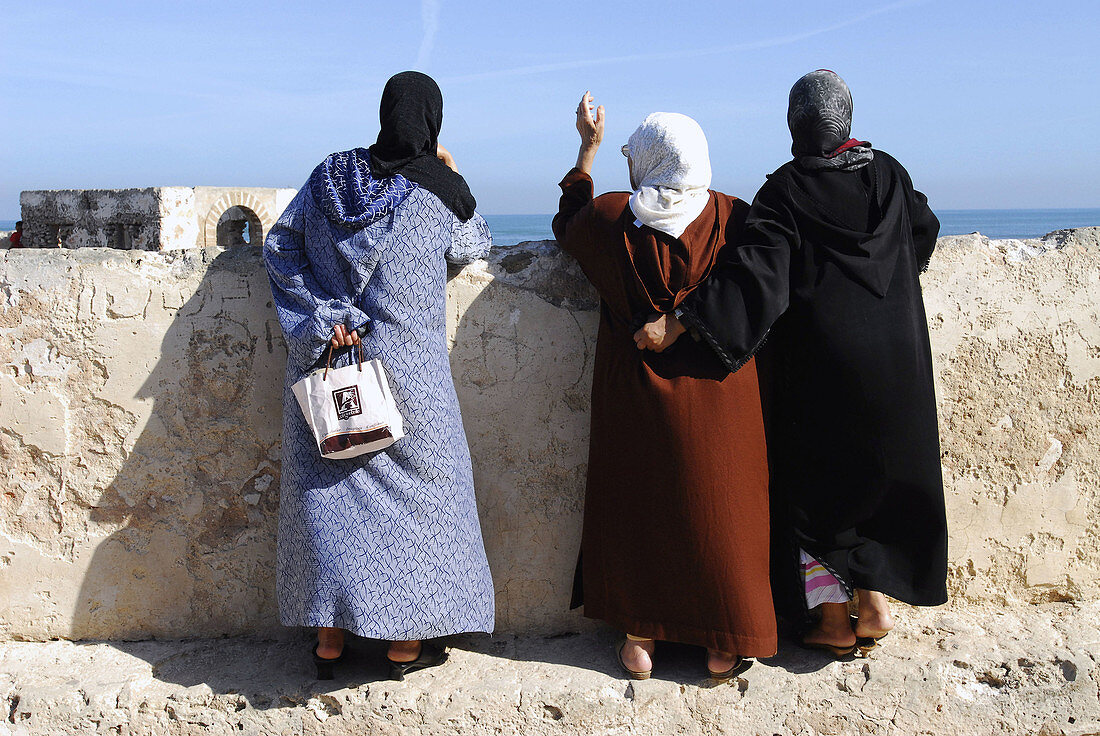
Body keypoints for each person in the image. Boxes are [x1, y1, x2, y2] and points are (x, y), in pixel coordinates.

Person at [635, 70, 948, 656]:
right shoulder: (889, 174)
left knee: (817, 488)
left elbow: (756, 277)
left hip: (825, 368)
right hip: (898, 361)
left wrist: (681, 321)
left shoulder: (785, 190)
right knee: (879, 478)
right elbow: (923, 234)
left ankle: (832, 621)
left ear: (793, 127)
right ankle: (874, 602)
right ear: (847, 120)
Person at [263, 71, 495, 681]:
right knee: (427, 506)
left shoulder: (330, 177)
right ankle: (404, 638)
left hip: (332, 368)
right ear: (431, 121)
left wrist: (322, 316)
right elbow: (475, 246)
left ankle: (330, 635)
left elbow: (279, 246)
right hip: (409, 373)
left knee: (330, 500)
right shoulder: (436, 191)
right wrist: (450, 167)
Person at [553, 92, 776, 681]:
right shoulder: (732, 217)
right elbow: (767, 276)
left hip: (636, 391)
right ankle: (722, 638)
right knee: (718, 506)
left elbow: (566, 220)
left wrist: (587, 149)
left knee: (640, 504)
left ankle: (640, 636)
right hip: (718, 392)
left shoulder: (610, 220)